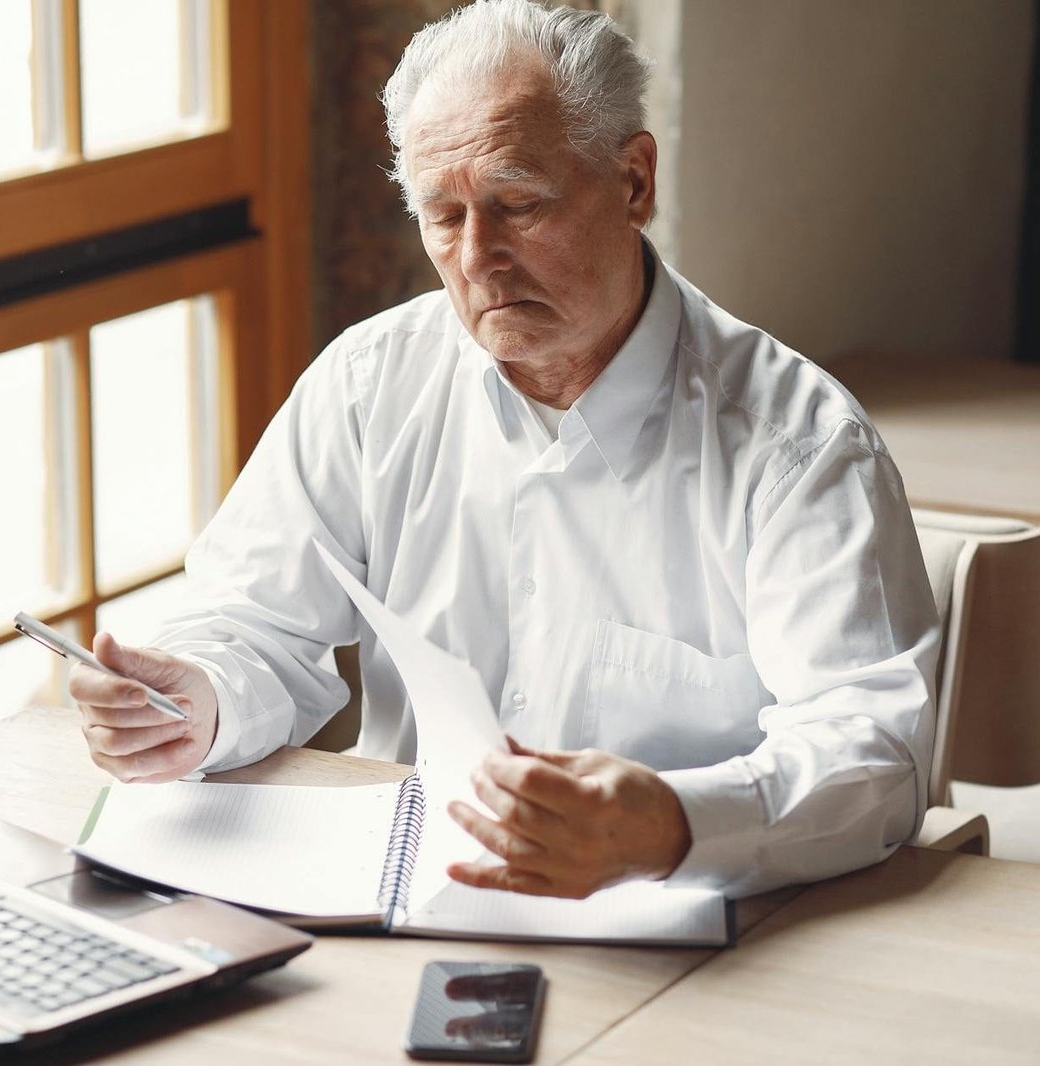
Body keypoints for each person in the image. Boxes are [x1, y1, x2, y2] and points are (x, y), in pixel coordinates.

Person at [68, 0, 938, 900]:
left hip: (689, 920)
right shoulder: (371, 387)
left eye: (518, 204)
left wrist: (675, 824)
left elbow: (874, 753)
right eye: (443, 216)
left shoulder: (796, 446)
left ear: (635, 181)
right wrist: (192, 703)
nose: (479, 259)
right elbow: (254, 623)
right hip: (403, 900)